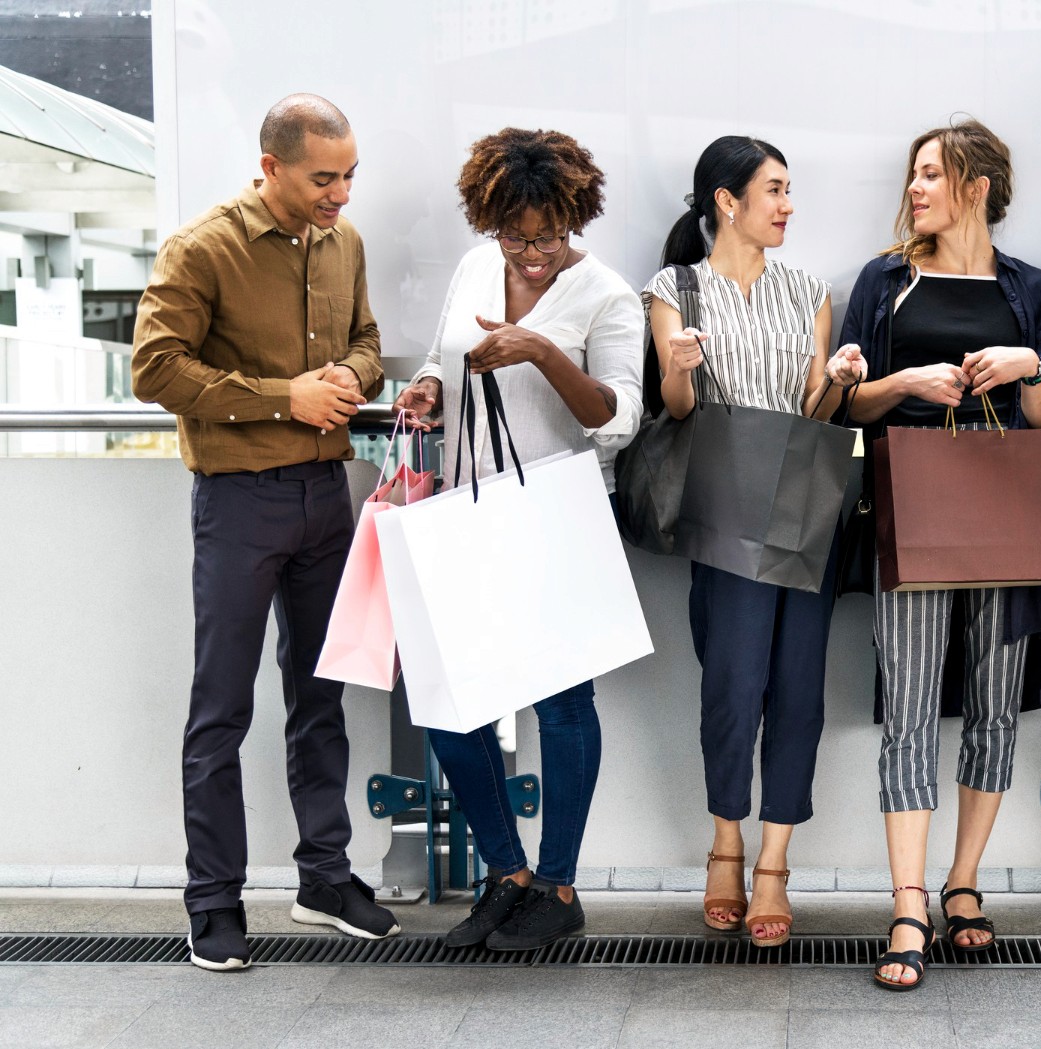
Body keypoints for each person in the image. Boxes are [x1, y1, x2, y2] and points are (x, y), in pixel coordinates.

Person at [132, 93, 397, 972]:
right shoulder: (203, 247)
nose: (342, 194)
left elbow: (366, 340)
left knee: (321, 697)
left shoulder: (343, 243)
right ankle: (212, 902)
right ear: (272, 165)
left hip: (327, 495)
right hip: (238, 501)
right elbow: (155, 368)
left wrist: (350, 377)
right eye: (326, 178)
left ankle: (324, 876)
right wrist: (289, 394)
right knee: (222, 708)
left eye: (350, 175)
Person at [831, 119, 1041, 991]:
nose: (917, 188)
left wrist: (1027, 368)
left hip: (1009, 514)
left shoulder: (1033, 289)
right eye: (914, 174)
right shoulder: (884, 281)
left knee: (996, 705)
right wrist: (903, 384)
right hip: (913, 508)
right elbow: (846, 404)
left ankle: (963, 881)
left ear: (978, 185)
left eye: (933, 174)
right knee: (907, 705)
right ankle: (906, 901)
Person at [392, 128, 643, 952]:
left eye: (546, 236)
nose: (530, 253)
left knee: (562, 704)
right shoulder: (476, 265)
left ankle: (559, 884)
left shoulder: (607, 294)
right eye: (514, 235)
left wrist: (538, 348)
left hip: (557, 520)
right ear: (489, 220)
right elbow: (441, 353)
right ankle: (509, 875)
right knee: (451, 707)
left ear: (575, 217)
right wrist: (430, 385)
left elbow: (619, 416)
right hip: (469, 514)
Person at [644, 135, 852, 948]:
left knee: (798, 685)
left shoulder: (808, 288)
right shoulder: (676, 288)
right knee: (732, 682)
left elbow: (816, 411)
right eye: (775, 190)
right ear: (726, 201)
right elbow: (679, 407)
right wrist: (683, 367)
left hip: (803, 501)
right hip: (726, 500)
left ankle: (774, 863)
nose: (788, 205)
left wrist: (837, 377)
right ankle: (724, 844)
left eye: (790, 191)